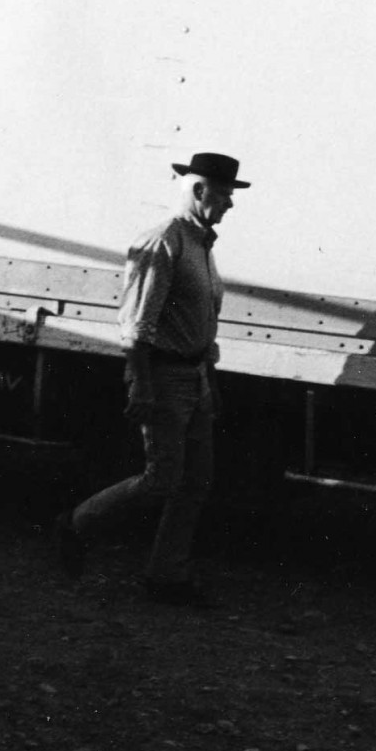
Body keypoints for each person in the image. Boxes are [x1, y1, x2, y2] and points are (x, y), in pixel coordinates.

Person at [53, 152, 249, 605]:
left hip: (195, 376)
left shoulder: (200, 244)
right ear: (199, 191)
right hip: (164, 376)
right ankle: (76, 524)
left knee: (197, 481)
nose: (230, 205)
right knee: (162, 479)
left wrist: (210, 379)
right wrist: (138, 381)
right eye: (224, 194)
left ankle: (166, 575)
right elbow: (138, 322)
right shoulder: (164, 241)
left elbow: (204, 321)